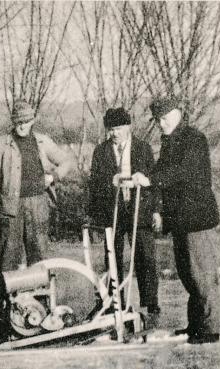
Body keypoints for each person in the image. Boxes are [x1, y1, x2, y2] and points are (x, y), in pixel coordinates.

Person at [131, 96, 220, 344]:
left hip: (197, 219)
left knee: (202, 275)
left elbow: (183, 171)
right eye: (158, 119)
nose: (161, 123)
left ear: (178, 113)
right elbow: (162, 171)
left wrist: (151, 180)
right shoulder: (170, 140)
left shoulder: (193, 139)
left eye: (164, 117)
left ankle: (210, 329)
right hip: (181, 219)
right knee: (187, 274)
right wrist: (145, 178)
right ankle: (196, 324)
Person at [87, 107, 162, 322]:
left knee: (145, 257)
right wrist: (109, 183)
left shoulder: (143, 148)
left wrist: (157, 210)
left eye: (118, 128)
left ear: (128, 127)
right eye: (111, 129)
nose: (115, 133)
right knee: (113, 257)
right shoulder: (100, 152)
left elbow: (154, 182)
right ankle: (114, 302)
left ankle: (151, 304)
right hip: (114, 211)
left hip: (140, 209)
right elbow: (95, 184)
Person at [0, 100, 75, 271]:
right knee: (9, 257)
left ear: (32, 121)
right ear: (13, 122)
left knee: (39, 255)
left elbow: (66, 161)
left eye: (25, 122)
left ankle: (41, 297)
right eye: (18, 122)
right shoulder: (1, 143)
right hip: (11, 207)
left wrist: (53, 177)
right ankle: (8, 297)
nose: (21, 126)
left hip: (38, 204)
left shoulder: (42, 141)